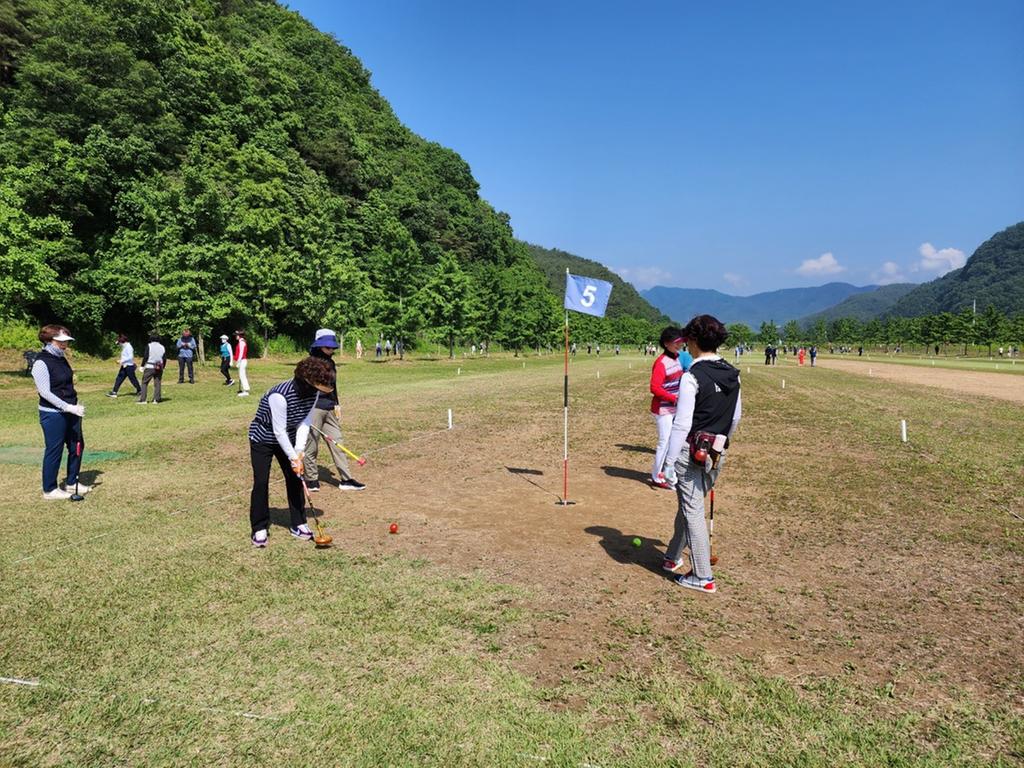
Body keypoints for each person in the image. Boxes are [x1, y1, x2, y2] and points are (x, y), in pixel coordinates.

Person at [662, 315, 742, 594]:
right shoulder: (733, 372)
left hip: (690, 452)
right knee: (690, 504)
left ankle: (702, 576)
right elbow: (735, 418)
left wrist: (669, 463)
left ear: (693, 342)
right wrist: (720, 444)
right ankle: (672, 556)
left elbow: (682, 424)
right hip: (717, 452)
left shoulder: (691, 376)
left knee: (691, 509)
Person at [248, 356, 336, 547]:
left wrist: (299, 451)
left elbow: (305, 421)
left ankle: (299, 523)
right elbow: (278, 431)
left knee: (296, 478)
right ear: (307, 382)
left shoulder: (313, 394)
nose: (320, 392)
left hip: (288, 436)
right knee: (261, 481)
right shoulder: (279, 396)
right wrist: (293, 457)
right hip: (263, 437)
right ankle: (259, 527)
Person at [303, 329, 366, 493]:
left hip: (330, 408)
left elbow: (333, 386)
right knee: (311, 445)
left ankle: (346, 479)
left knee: (338, 442)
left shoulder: (331, 363)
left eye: (332, 348)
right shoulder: (310, 363)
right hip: (314, 409)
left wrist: (337, 404)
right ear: (319, 346)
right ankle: (311, 480)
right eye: (328, 347)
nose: (331, 351)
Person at [32, 325, 90, 499]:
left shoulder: (61, 358)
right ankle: (49, 489)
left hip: (71, 410)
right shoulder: (41, 362)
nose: (65, 345)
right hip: (53, 413)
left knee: (77, 445)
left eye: (67, 342)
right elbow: (45, 392)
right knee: (54, 450)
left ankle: (72, 482)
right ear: (50, 341)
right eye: (61, 342)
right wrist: (67, 406)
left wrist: (74, 404)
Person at [649, 327, 692, 489]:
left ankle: (665, 472)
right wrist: (673, 398)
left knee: (673, 441)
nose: (680, 345)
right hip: (663, 409)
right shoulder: (661, 363)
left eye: (681, 342)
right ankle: (656, 476)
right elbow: (655, 388)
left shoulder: (676, 358)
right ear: (666, 344)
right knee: (664, 442)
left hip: (674, 407)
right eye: (676, 342)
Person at [106, 333, 141, 398]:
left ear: (122, 342)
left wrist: (121, 361)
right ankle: (114, 392)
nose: (119, 345)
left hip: (129, 366)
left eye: (119, 343)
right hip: (124, 366)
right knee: (119, 378)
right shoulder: (124, 347)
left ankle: (140, 390)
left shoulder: (129, 347)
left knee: (133, 379)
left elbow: (130, 357)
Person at [137, 333, 166, 404]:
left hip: (150, 366)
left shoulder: (149, 346)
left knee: (144, 382)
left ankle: (143, 400)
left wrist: (142, 366)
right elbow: (164, 358)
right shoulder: (162, 347)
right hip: (159, 367)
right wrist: (163, 367)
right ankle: (156, 399)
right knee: (157, 383)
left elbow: (146, 356)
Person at [234, 329, 250, 397]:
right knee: (242, 375)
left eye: (236, 335)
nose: (235, 337)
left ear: (239, 336)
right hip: (242, 361)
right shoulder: (241, 342)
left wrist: (238, 362)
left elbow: (241, 353)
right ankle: (245, 389)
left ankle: (246, 391)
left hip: (242, 361)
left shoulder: (241, 342)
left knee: (242, 376)